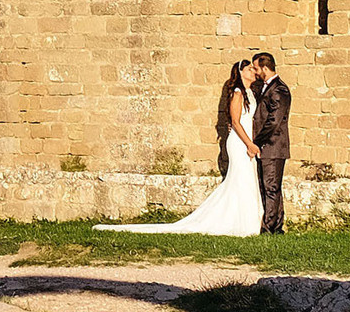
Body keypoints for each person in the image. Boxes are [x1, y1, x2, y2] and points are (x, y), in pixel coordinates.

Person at [96, 60, 265, 235]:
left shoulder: (249, 93)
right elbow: (236, 122)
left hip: (246, 141)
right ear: (241, 73)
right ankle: (237, 222)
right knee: (240, 179)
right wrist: (249, 144)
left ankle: (245, 220)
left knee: (245, 180)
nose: (253, 71)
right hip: (239, 143)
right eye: (249, 69)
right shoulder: (237, 94)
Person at [250, 51, 292, 234]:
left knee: (271, 187)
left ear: (265, 68)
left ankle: (269, 228)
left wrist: (256, 142)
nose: (255, 72)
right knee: (271, 187)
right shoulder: (267, 87)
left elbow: (274, 122)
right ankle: (276, 227)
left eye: (257, 68)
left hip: (273, 146)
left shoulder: (279, 89)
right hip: (269, 147)